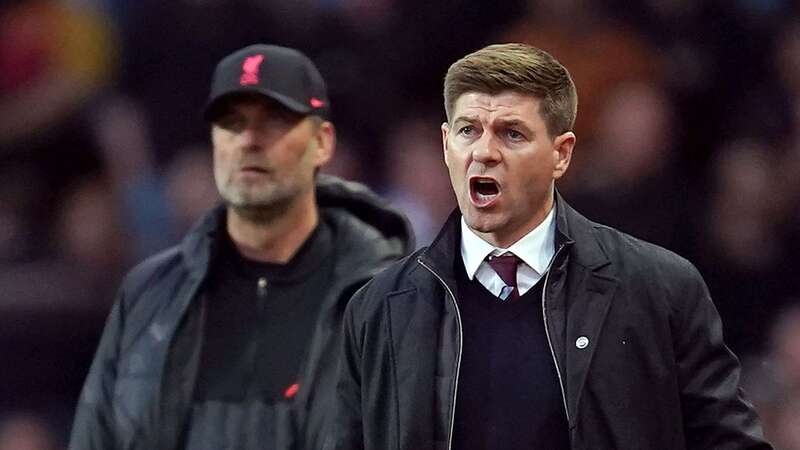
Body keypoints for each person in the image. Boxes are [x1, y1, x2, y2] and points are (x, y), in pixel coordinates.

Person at [332, 43, 772, 450]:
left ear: (561, 154)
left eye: (512, 134)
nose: (484, 152)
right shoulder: (380, 308)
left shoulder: (658, 289)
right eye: (469, 131)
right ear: (446, 145)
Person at [69, 44, 413, 450]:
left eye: (274, 121)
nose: (249, 140)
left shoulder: (390, 299)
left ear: (322, 143)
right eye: (231, 123)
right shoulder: (149, 295)